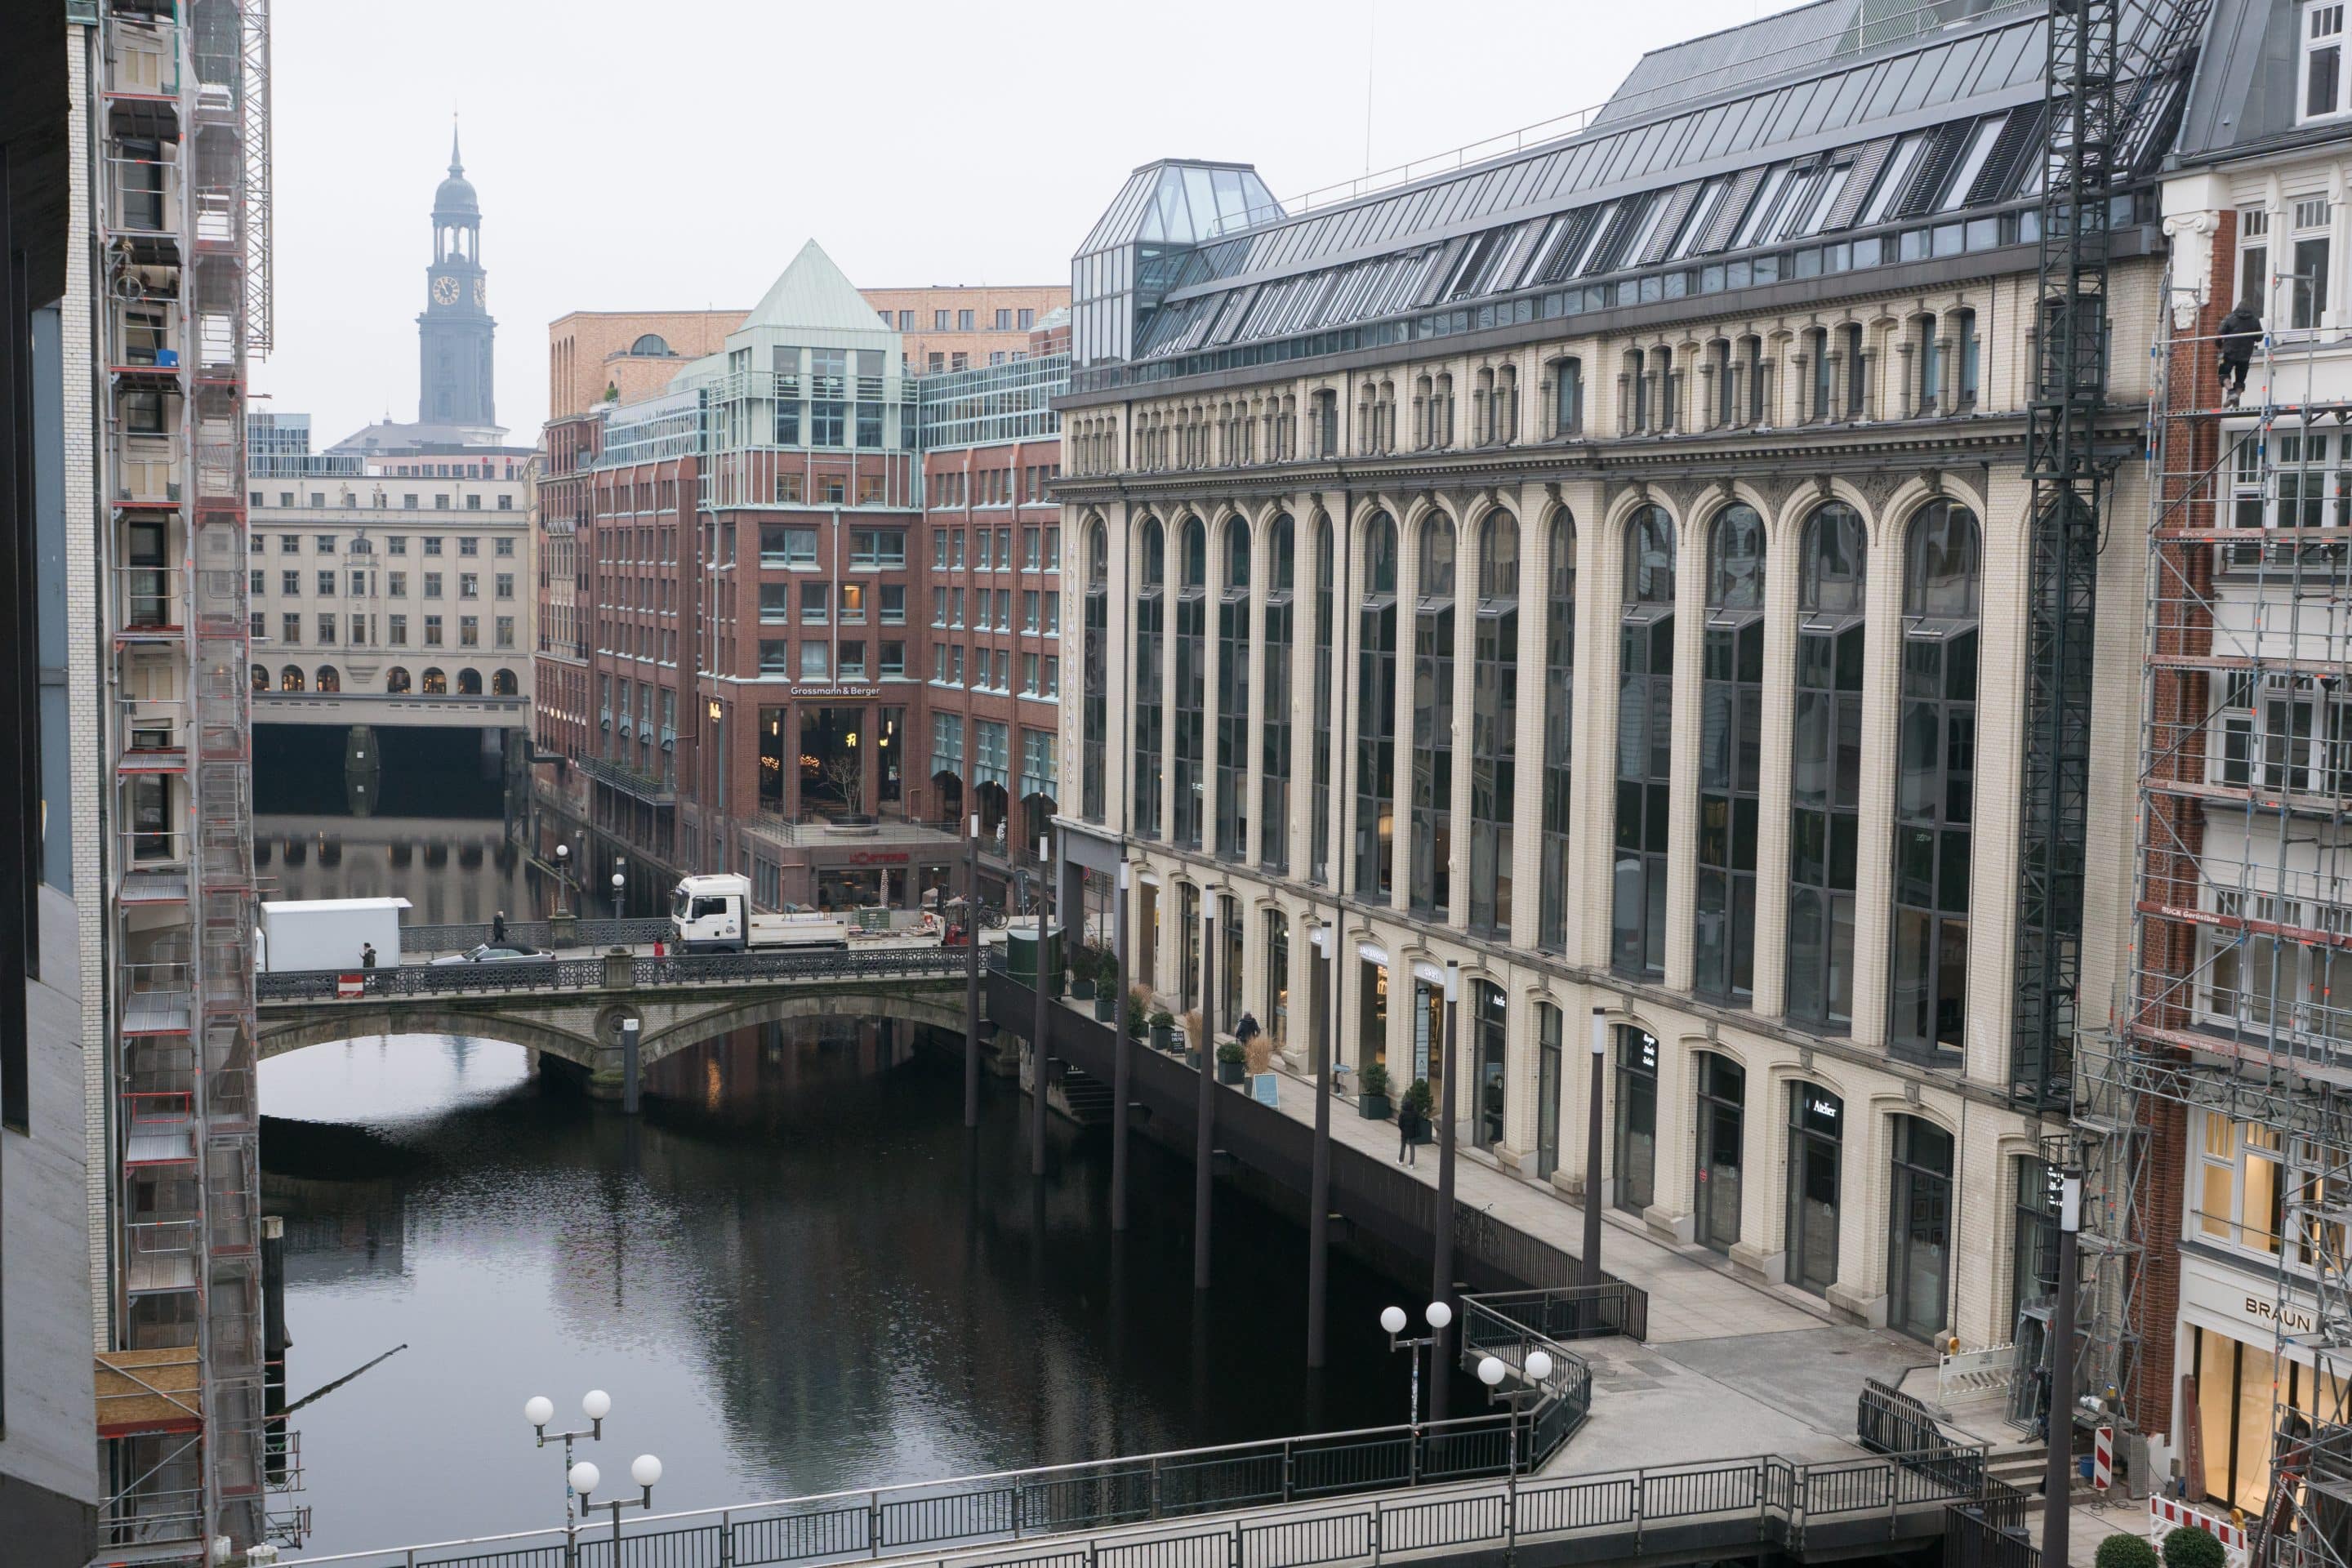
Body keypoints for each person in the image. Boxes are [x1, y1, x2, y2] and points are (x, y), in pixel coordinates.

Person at [2218, 297, 2262, 406]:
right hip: (2246, 354)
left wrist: (2219, 345)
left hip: (2229, 352)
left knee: (2223, 373)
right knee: (2241, 377)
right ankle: (2237, 397)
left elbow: (2220, 333)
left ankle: (2231, 392)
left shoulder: (2230, 318)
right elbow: (2259, 337)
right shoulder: (2255, 320)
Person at [1397, 1098, 1424, 1166]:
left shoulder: (1403, 1113)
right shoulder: (1415, 1113)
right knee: (1412, 1147)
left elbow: (1400, 1124)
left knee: (1403, 1146)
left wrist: (1402, 1129)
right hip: (1412, 1133)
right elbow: (1417, 1123)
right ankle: (1411, 1164)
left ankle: (1401, 1161)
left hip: (1404, 1132)